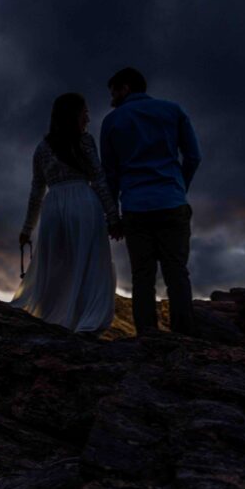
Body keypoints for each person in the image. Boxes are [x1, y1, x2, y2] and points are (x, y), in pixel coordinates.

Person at [0, 93, 120, 333]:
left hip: (54, 208)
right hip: (83, 203)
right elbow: (99, 179)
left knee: (57, 268)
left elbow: (36, 192)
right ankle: (84, 322)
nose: (88, 117)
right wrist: (113, 216)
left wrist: (27, 229)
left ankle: (55, 318)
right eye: (84, 112)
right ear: (73, 115)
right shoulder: (85, 141)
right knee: (88, 264)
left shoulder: (42, 148)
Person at [100, 67, 201, 336]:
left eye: (114, 92)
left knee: (142, 278)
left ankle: (147, 339)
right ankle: (185, 339)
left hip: (135, 208)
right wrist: (179, 188)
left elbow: (110, 175)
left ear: (126, 88)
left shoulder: (111, 122)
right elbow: (193, 157)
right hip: (172, 202)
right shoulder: (173, 111)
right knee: (177, 273)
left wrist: (113, 217)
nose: (112, 98)